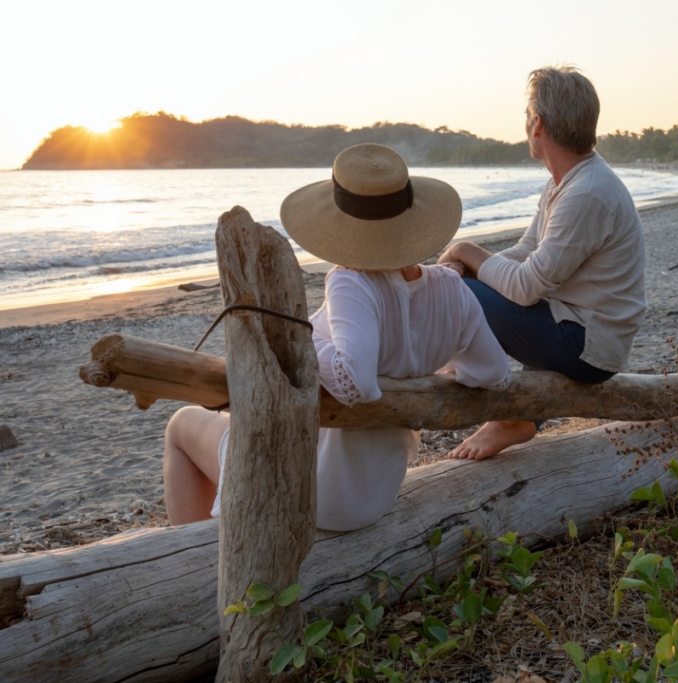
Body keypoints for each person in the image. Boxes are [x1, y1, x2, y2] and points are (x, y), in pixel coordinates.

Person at [163, 143, 511, 530]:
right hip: (373, 492)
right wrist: (436, 369)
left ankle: (193, 549)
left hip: (313, 489)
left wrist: (299, 337)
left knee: (181, 423)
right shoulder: (451, 288)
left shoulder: (352, 280)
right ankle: (208, 536)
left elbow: (355, 380)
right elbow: (493, 372)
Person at [438, 66, 646, 461]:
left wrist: (465, 253)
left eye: (526, 114)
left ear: (538, 124)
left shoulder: (586, 193)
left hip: (588, 346)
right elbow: (524, 253)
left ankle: (487, 395)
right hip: (574, 324)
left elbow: (526, 286)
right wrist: (468, 263)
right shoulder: (565, 182)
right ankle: (507, 405)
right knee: (458, 283)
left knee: (455, 289)